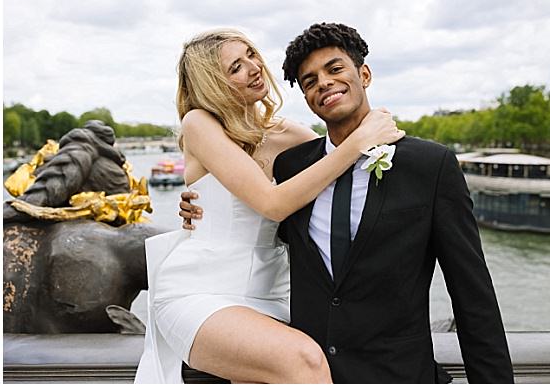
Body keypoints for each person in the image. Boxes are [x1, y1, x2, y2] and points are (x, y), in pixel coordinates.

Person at [182, 22, 513, 383]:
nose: (323, 82)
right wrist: (202, 206)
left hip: (397, 374)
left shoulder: (430, 166)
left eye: (335, 69)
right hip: (303, 367)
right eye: (309, 81)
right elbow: (259, 210)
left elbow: (473, 296)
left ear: (364, 74)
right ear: (307, 98)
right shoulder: (292, 167)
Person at [136, 29, 401, 383]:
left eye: (251, 54)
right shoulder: (199, 123)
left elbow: (335, 166)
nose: (253, 67)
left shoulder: (290, 134)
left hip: (272, 289)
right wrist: (359, 142)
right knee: (305, 361)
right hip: (200, 289)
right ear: (212, 84)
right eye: (235, 68)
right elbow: (272, 204)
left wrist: (371, 138)